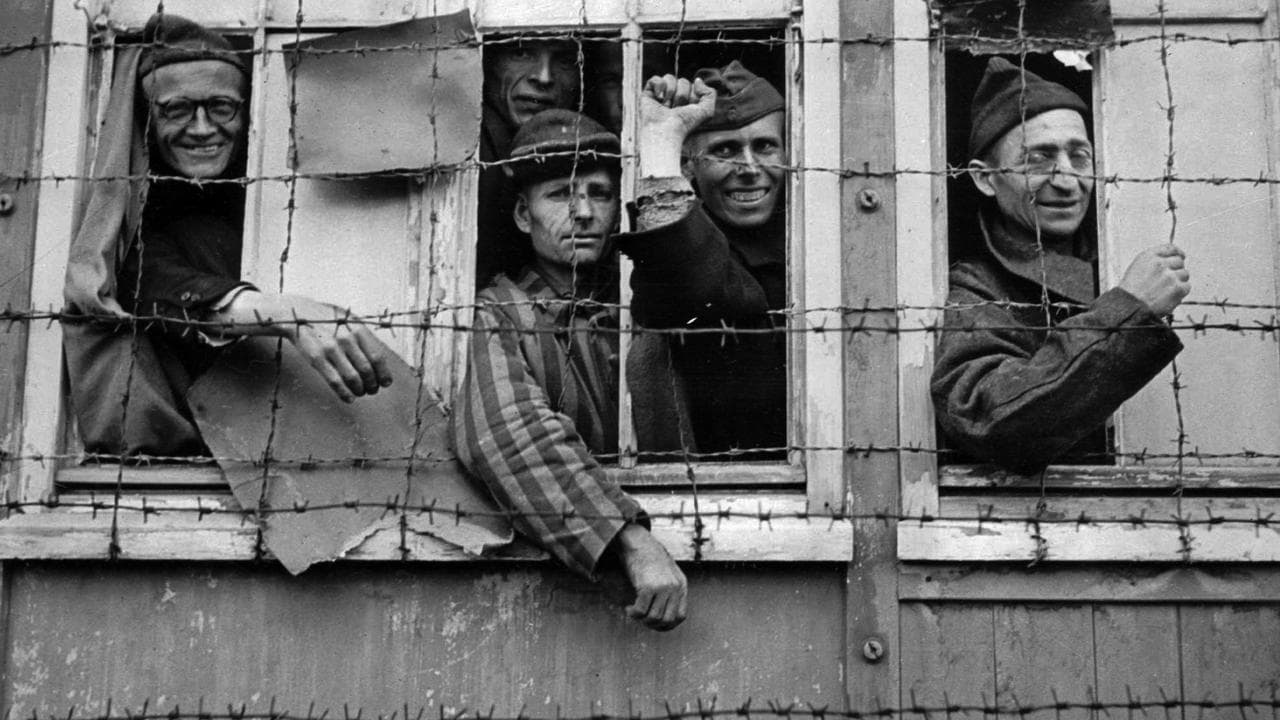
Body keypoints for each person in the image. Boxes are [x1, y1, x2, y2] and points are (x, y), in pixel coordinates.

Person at [63, 13, 391, 458]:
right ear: (147, 120)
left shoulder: (271, 192)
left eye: (221, 107)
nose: (201, 129)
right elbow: (145, 274)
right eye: (177, 109)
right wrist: (288, 312)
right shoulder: (140, 213)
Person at [455, 109, 687, 631]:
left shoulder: (638, 308)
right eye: (561, 194)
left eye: (599, 194)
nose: (583, 212)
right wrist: (630, 539)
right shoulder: (497, 313)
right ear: (523, 215)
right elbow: (505, 434)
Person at [931, 57, 1191, 474]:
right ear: (984, 178)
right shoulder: (975, 286)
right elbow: (990, 419)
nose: (1068, 181)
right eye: (1039, 158)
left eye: (1080, 157)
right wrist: (1127, 312)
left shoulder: (1118, 257)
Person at [617, 60, 787, 456]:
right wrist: (662, 139)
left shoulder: (811, 241)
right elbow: (695, 286)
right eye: (725, 150)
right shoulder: (681, 250)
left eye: (765, 146)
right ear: (687, 167)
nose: (750, 168)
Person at [476, 38, 581, 285]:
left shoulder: (577, 149)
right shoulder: (475, 155)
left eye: (565, 60)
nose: (544, 77)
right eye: (521, 53)